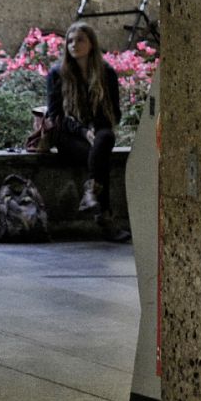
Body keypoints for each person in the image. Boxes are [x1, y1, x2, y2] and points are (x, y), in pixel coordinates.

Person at [46, 22, 132, 241]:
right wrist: (84, 131)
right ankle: (105, 217)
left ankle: (92, 192)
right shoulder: (57, 73)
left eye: (80, 40)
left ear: (91, 44)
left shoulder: (106, 73)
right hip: (67, 135)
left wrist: (95, 127)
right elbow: (56, 117)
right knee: (99, 156)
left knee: (106, 138)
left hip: (97, 132)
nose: (74, 45)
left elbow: (114, 113)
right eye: (70, 41)